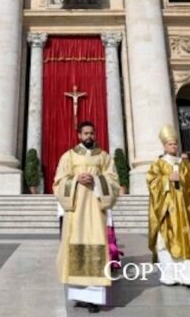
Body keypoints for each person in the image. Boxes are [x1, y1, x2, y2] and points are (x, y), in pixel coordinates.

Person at [53, 121, 119, 312]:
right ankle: (81, 295)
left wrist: (97, 180)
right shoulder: (69, 156)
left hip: (95, 210)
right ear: (79, 135)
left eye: (91, 133)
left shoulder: (104, 157)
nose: (89, 136)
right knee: (76, 246)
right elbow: (59, 180)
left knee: (95, 245)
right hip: (75, 211)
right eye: (86, 133)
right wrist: (75, 179)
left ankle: (94, 298)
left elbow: (113, 180)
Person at [147, 125, 190, 288]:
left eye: (175, 144)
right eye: (170, 144)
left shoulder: (186, 164)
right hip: (169, 211)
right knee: (168, 241)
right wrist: (167, 179)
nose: (173, 147)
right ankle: (171, 276)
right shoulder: (158, 164)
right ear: (164, 146)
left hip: (188, 212)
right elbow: (152, 182)